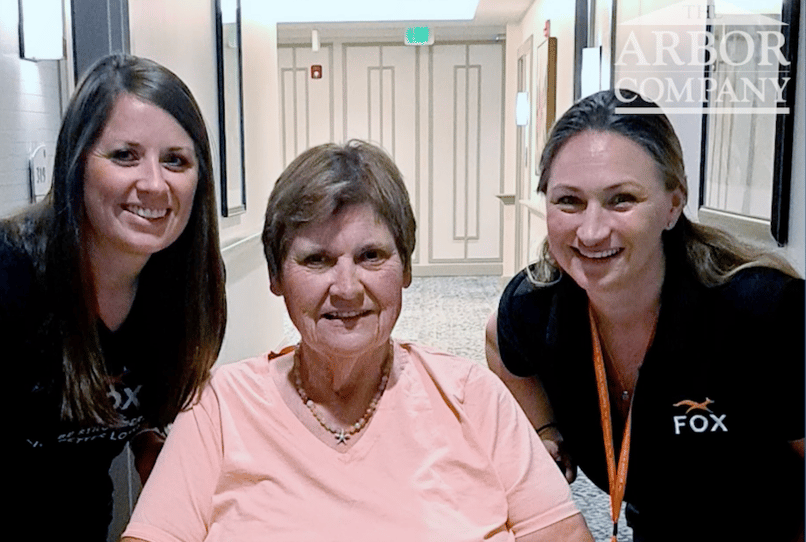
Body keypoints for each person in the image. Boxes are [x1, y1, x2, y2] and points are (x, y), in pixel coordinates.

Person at [121, 140, 593, 542]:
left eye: (371, 256)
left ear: (405, 269)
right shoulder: (218, 409)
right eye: (317, 260)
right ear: (276, 277)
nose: (346, 288)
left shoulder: (474, 398)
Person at [0, 54, 227, 541]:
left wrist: (149, 446)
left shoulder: (185, 285)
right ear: (77, 164)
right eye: (124, 155)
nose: (154, 183)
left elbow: (129, 401)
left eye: (176, 160)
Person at [485, 89, 804, 542]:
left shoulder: (764, 312)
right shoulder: (534, 304)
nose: (592, 232)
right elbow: (500, 341)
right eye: (569, 201)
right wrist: (545, 428)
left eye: (621, 200)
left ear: (673, 204)